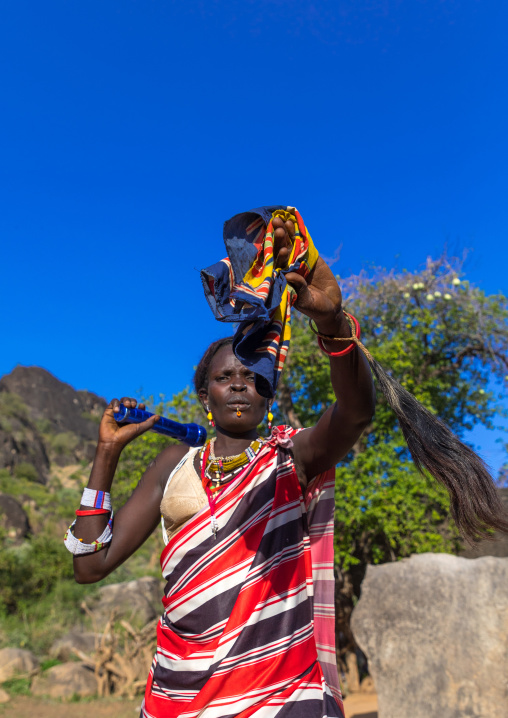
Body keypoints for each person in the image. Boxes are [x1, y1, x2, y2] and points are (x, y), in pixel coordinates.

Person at [67, 216, 376, 718]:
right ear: (205, 395)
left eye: (252, 376)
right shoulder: (175, 465)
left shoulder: (289, 460)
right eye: (223, 376)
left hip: (279, 697)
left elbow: (356, 412)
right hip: (178, 697)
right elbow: (89, 566)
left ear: (267, 392)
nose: (238, 384)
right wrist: (106, 456)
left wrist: (332, 323)